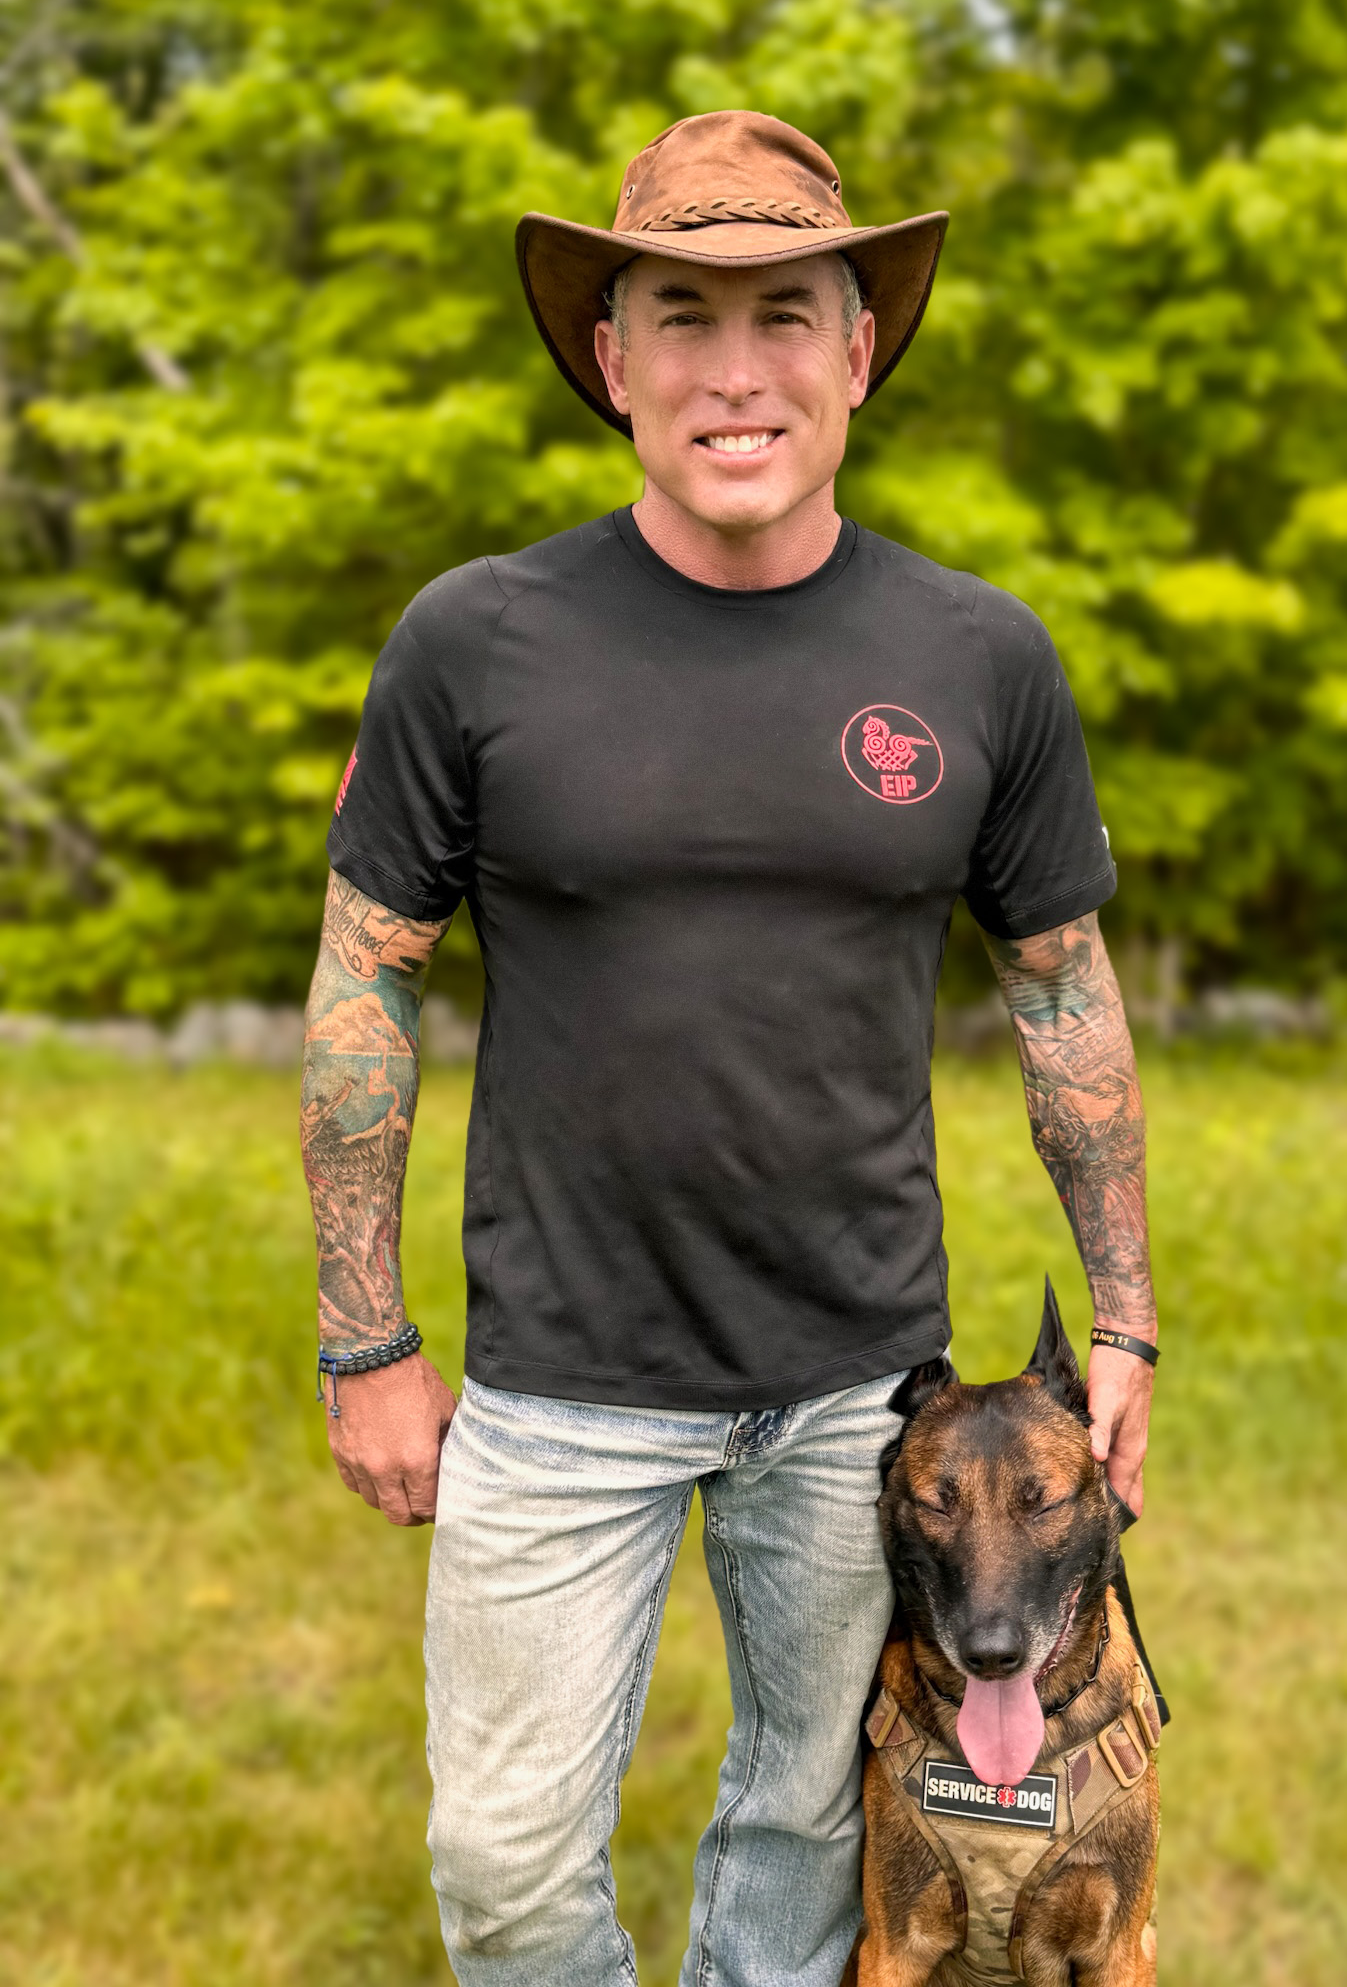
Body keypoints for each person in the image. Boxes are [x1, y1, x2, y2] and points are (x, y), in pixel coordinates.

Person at [300, 110, 1159, 1987]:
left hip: (864, 1399)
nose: (737, 369)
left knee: (798, 1827)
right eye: (682, 314)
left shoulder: (980, 657)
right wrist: (365, 1334)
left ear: (861, 352)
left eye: (790, 314)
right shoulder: (475, 639)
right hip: (558, 1372)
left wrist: (1124, 1326)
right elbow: (365, 979)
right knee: (505, 1860)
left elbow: (1065, 997)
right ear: (613, 360)